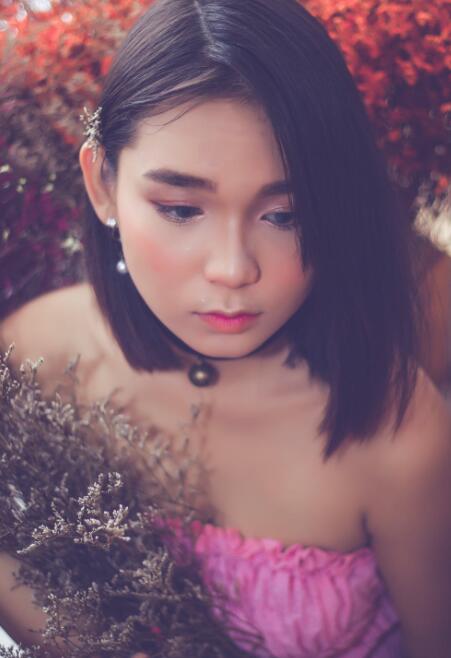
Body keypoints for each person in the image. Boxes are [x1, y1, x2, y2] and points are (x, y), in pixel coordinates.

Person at [1, 0, 450, 656]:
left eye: (286, 215)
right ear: (102, 185)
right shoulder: (33, 356)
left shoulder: (393, 431)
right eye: (182, 209)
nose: (234, 269)